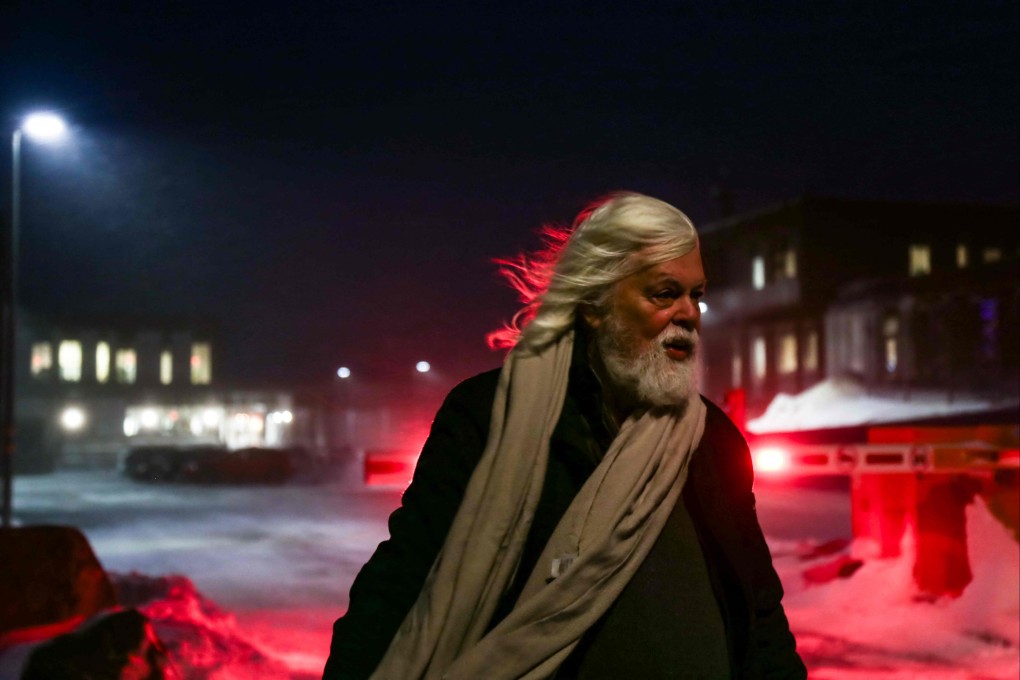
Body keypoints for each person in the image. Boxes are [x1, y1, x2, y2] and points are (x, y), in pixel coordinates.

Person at [323, 192, 807, 679]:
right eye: (664, 294)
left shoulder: (711, 437)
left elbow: (757, 606)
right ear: (595, 305)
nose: (689, 315)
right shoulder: (493, 415)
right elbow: (406, 579)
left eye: (696, 295)